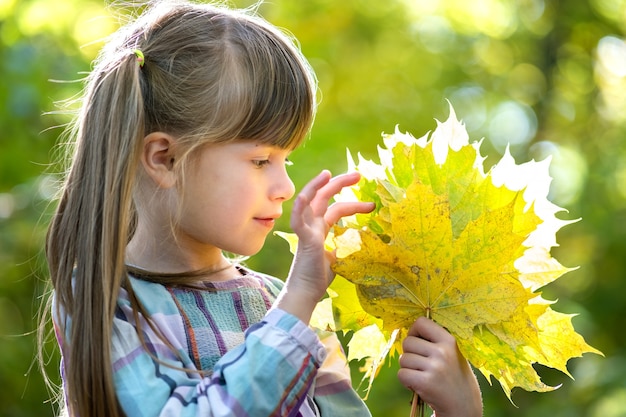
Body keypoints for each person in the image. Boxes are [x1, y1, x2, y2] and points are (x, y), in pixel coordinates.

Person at [42, 1, 483, 417]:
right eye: (260, 161)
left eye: (285, 159)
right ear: (164, 158)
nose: (285, 187)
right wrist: (296, 307)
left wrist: (457, 410)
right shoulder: (104, 303)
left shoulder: (281, 300)